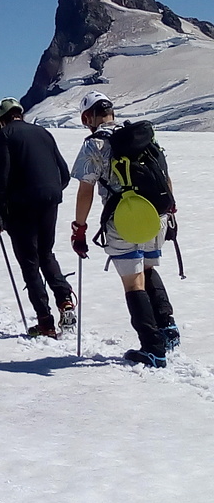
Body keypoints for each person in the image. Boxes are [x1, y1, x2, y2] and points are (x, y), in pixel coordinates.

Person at [70, 91, 179, 368]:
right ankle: (167, 328)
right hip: (156, 214)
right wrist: (170, 211)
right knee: (149, 269)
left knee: (133, 282)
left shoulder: (95, 144)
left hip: (124, 219)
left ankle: (152, 349)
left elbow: (86, 190)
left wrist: (79, 228)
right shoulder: (141, 135)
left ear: (88, 117)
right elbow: (164, 175)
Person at [0, 97, 75, 338]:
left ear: (0, 119)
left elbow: (1, 175)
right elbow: (64, 172)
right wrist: (50, 190)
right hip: (50, 199)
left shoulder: (5, 135)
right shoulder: (43, 132)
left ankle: (45, 322)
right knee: (46, 253)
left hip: (20, 206)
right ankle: (65, 300)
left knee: (29, 261)